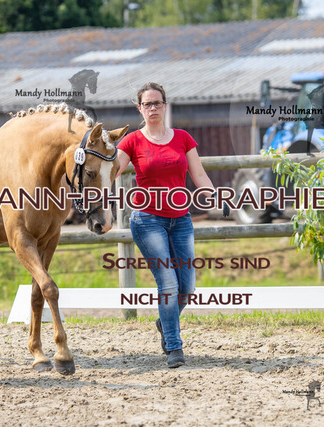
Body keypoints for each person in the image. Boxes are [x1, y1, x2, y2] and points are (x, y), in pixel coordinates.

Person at [115, 82, 224, 368]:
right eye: (147, 104)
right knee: (168, 283)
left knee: (187, 288)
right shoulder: (131, 142)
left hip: (181, 220)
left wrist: (215, 196)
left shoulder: (183, 138)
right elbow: (111, 170)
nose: (152, 108)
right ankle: (174, 347)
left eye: (157, 103)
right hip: (147, 219)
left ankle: (165, 322)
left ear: (165, 106)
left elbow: (199, 175)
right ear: (139, 108)